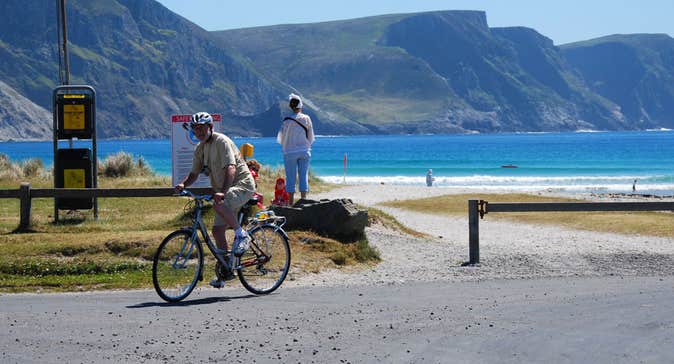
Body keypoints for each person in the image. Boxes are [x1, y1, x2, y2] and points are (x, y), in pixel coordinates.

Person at [174, 112, 256, 288]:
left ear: (210, 127)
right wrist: (183, 184)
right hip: (224, 191)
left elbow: (231, 169)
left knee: (220, 204)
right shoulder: (200, 148)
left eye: (202, 128)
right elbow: (194, 173)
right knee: (218, 231)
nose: (199, 132)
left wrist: (223, 192)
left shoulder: (222, 142)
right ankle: (227, 270)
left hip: (242, 184)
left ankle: (242, 235)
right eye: (195, 129)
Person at [277, 93, 315, 205]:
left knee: (290, 177)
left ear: (291, 107)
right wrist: (307, 145)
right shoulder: (306, 118)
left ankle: (291, 203)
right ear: (300, 106)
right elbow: (311, 136)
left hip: (289, 152)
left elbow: (281, 137)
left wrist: (286, 147)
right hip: (304, 150)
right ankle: (303, 200)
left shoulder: (287, 120)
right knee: (303, 175)